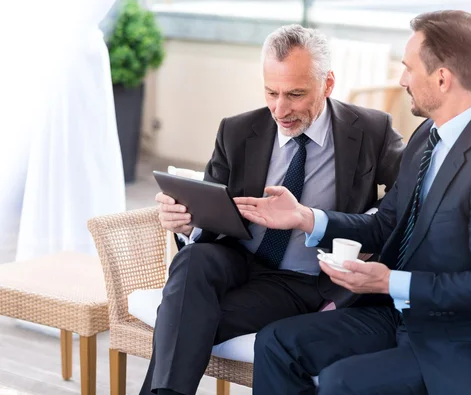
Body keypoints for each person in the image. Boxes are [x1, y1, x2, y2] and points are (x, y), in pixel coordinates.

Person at [236, 10, 471, 395]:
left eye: (408, 67)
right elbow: (385, 224)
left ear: (442, 79)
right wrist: (305, 218)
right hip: (395, 314)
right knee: (277, 342)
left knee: (340, 382)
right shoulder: (427, 138)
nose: (401, 80)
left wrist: (390, 281)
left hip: (454, 339)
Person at [141, 24, 405, 395]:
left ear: (327, 84)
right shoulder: (236, 131)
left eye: (295, 94)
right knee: (191, 261)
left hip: (299, 281)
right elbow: (210, 209)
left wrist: (366, 227)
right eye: (271, 92)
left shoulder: (371, 131)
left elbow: (409, 194)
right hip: (235, 257)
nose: (280, 109)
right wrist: (188, 224)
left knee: (185, 320)